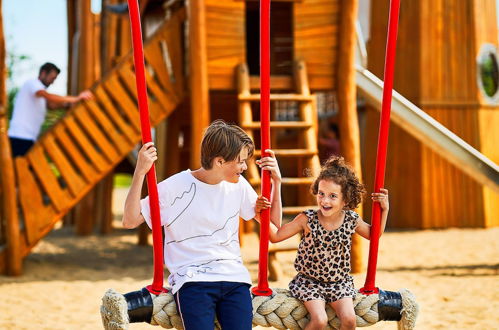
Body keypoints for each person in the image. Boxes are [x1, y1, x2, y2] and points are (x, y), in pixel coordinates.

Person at [122, 120, 282, 330]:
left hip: (234, 278)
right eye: (241, 161)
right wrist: (140, 172)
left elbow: (273, 228)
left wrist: (277, 183)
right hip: (193, 280)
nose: (245, 167)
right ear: (219, 161)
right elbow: (130, 220)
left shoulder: (239, 186)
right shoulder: (175, 187)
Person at [259, 156, 389, 330]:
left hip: (339, 283)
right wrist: (261, 215)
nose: (325, 201)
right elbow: (275, 236)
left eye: (332, 196)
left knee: (350, 320)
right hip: (309, 282)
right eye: (321, 194)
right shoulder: (307, 219)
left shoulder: (351, 219)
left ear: (346, 200)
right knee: (320, 320)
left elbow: (374, 235)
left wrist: (384, 209)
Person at [8, 62, 92, 157]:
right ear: (43, 73)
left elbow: (51, 106)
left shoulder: (38, 92)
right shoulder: (33, 84)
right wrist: (76, 98)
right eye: (52, 78)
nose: (53, 82)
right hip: (20, 137)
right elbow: (49, 97)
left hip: (27, 138)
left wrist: (68, 105)